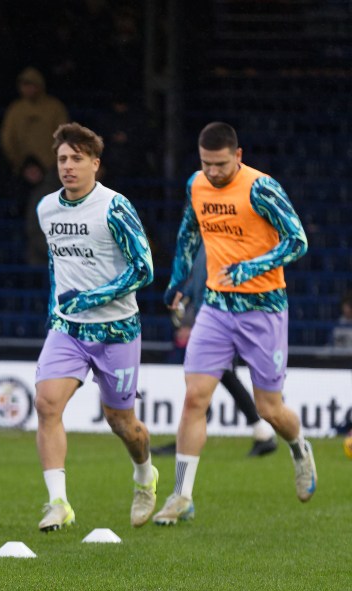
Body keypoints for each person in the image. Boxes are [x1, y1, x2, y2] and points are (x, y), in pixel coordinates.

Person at [154, 122, 314, 526]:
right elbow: (189, 234)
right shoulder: (197, 184)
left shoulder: (261, 188)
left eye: (221, 165)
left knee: (270, 409)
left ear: (238, 156)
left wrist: (251, 267)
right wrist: (177, 282)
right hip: (216, 306)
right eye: (206, 163)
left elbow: (297, 240)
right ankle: (181, 496)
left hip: (263, 308)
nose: (213, 172)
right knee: (195, 397)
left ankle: (298, 447)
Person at [32, 123, 156, 532]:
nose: (67, 166)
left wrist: (93, 297)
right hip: (67, 329)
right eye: (62, 159)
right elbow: (56, 264)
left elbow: (144, 269)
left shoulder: (114, 207)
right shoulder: (46, 208)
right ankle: (58, 502)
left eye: (77, 159)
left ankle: (144, 475)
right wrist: (59, 307)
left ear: (95, 165)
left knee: (122, 423)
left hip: (116, 330)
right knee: (47, 404)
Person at [154, 245, 278, 457]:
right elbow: (196, 285)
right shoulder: (205, 242)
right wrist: (186, 315)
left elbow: (208, 285)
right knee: (221, 378)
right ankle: (261, 433)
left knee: (218, 377)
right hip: (210, 321)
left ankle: (261, 432)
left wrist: (191, 322)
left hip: (220, 321)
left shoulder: (218, 240)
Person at [0, 67, 69, 176]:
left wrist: (53, 162)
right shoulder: (15, 109)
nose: (28, 89)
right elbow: (7, 139)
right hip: (22, 168)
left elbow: (64, 136)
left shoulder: (54, 107)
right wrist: (19, 163)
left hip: (51, 168)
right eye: (24, 85)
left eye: (32, 85)